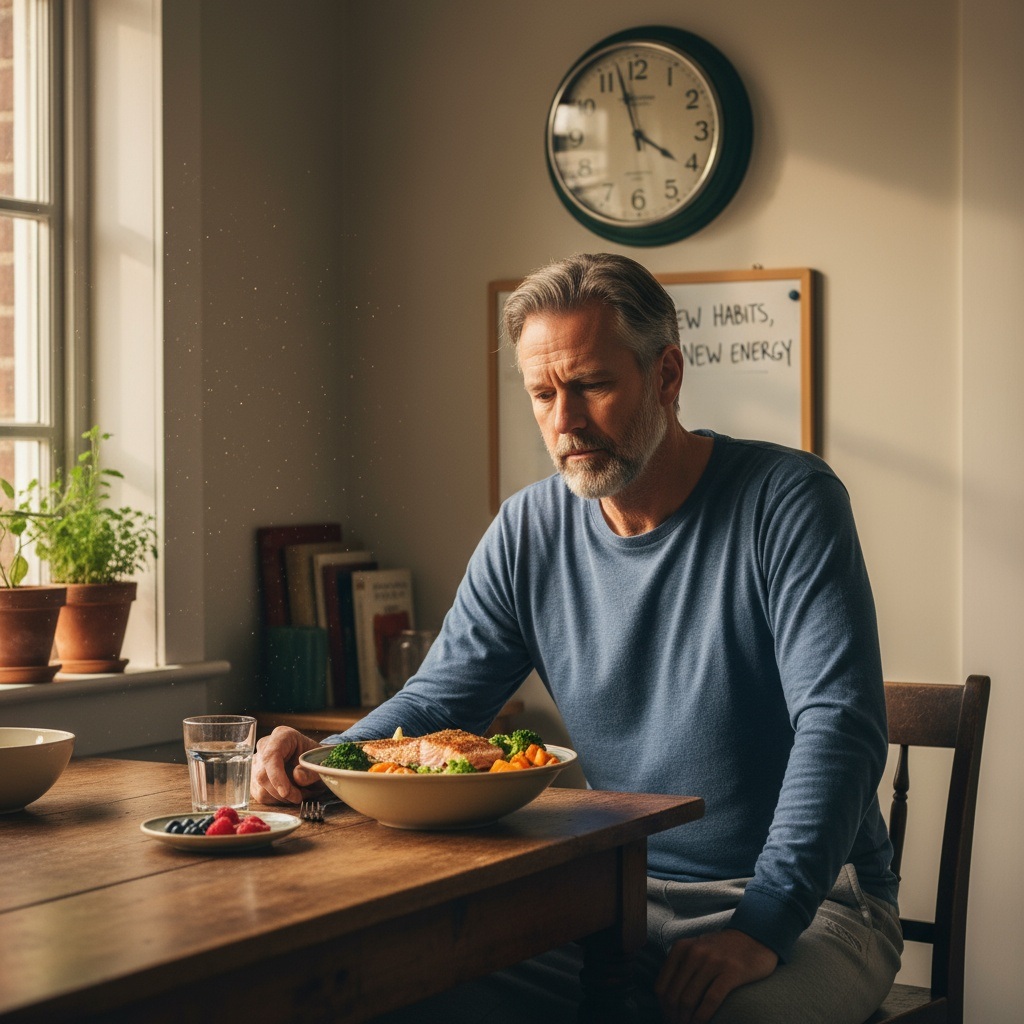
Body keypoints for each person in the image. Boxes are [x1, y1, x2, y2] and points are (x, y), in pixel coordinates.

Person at [252, 253, 902, 1023]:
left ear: (666, 375)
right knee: (394, 988)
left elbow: (841, 729)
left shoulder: (788, 500)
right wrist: (329, 761)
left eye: (591, 384)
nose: (565, 421)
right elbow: (440, 698)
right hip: (610, 894)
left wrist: (762, 926)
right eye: (542, 393)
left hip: (813, 909)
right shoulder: (527, 529)